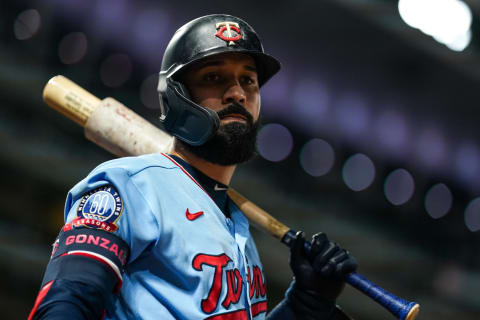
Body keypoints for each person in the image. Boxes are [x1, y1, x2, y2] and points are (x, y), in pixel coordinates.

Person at [29, 14, 357, 320]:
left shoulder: (239, 233)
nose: (238, 93)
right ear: (177, 96)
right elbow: (68, 298)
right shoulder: (129, 186)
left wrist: (306, 301)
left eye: (249, 80)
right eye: (214, 77)